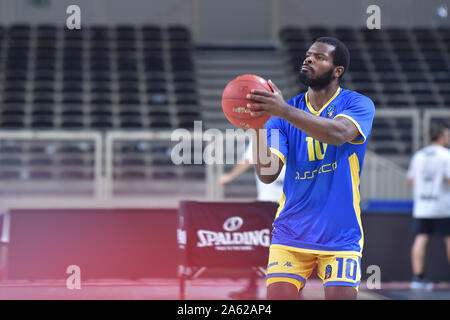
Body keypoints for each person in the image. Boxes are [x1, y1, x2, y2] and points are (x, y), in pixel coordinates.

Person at [246, 37, 375, 300]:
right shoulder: (282, 113)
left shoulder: (357, 104)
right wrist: (257, 127)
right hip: (291, 230)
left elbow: (339, 133)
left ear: (337, 70)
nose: (308, 59)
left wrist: (282, 111)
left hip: (340, 232)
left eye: (319, 57)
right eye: (308, 55)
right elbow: (268, 173)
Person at [219, 140, 285, 299]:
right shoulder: (261, 136)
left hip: (285, 203)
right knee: (259, 245)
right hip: (270, 203)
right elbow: (248, 160)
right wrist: (229, 176)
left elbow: (247, 161)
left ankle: (261, 287)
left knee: (271, 246)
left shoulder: (289, 131)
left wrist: (229, 176)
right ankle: (252, 286)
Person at [407, 124, 450, 291]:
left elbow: (411, 179)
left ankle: (418, 278)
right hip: (442, 206)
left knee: (420, 239)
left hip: (422, 206)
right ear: (440, 136)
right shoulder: (446, 155)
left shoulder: (419, 156)